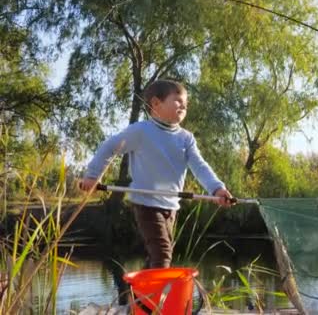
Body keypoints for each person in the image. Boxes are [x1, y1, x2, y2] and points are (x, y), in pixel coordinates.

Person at [79, 79, 233, 268]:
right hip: (146, 204)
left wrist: (217, 189)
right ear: (156, 104)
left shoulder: (186, 139)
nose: (183, 106)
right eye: (177, 100)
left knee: (158, 256)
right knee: (162, 254)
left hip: (171, 206)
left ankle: (138, 295)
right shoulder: (141, 131)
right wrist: (93, 176)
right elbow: (109, 147)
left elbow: (200, 167)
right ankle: (151, 298)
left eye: (186, 103)